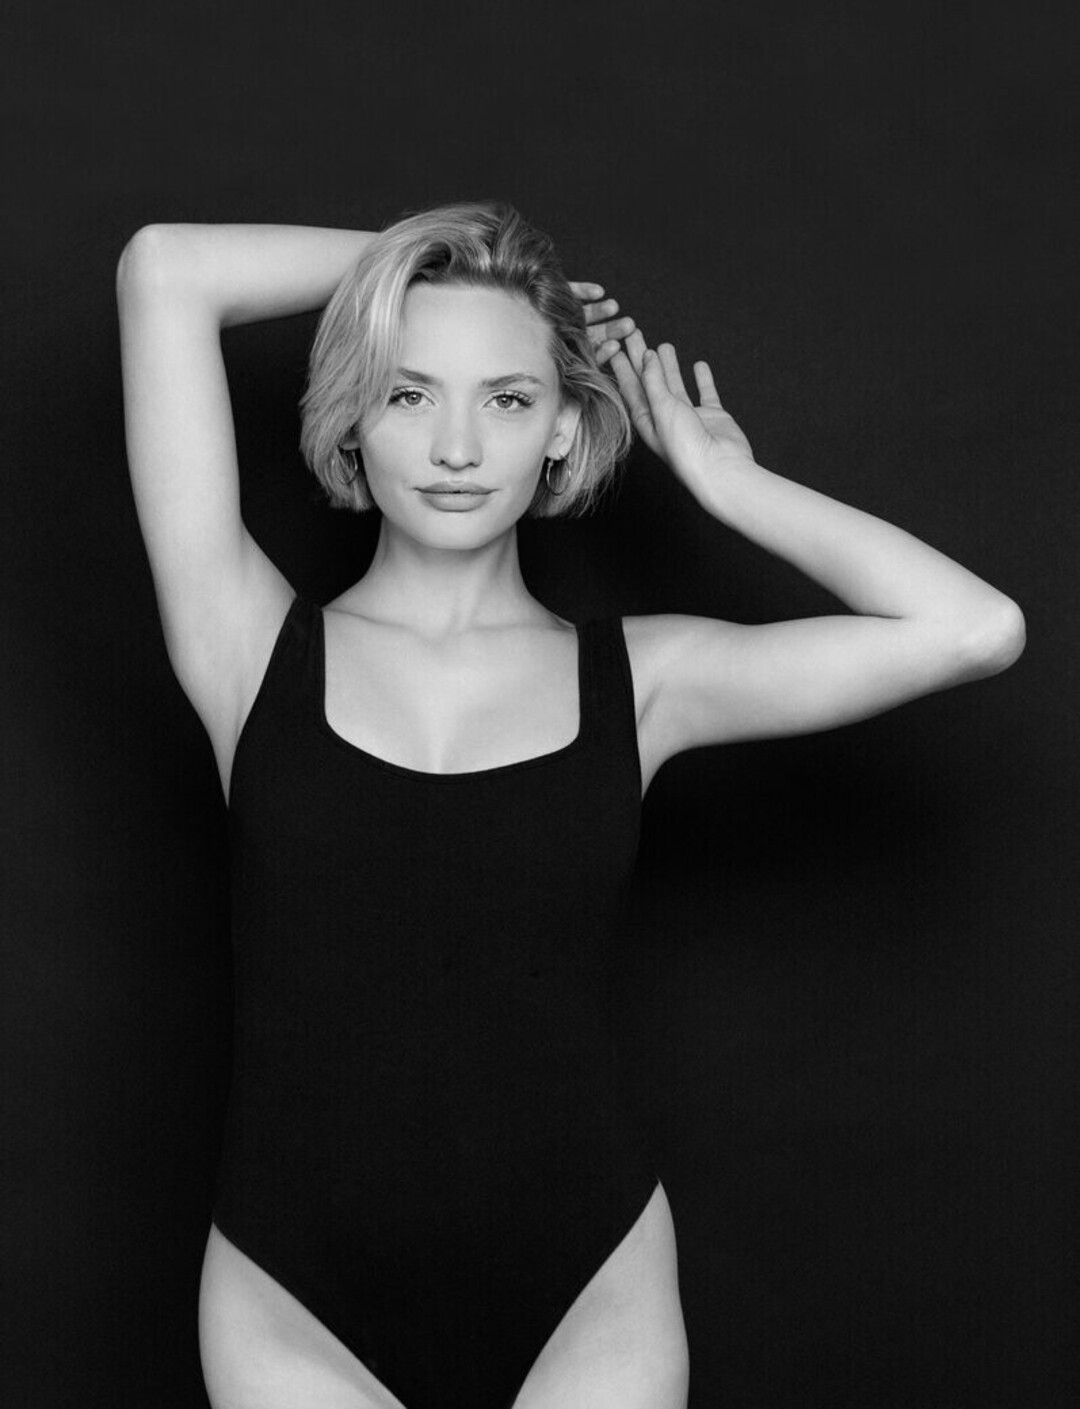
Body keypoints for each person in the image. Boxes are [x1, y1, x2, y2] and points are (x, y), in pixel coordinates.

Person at [116, 202, 1025, 1409]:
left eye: (507, 397)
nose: (455, 445)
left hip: (587, 1277)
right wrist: (420, 265)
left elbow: (974, 629)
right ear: (354, 412)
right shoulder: (246, 648)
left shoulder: (645, 680)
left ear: (560, 427)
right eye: (407, 391)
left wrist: (729, 483)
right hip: (291, 1292)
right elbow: (165, 270)